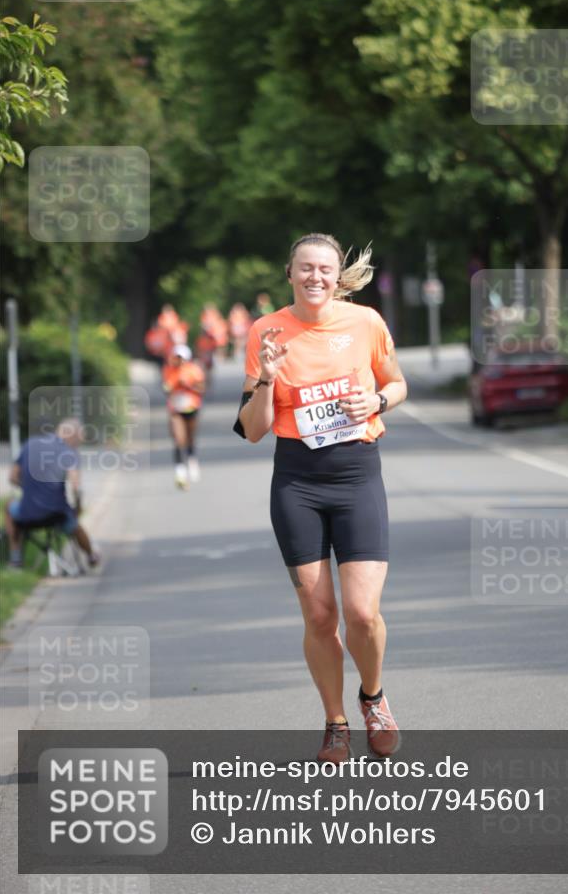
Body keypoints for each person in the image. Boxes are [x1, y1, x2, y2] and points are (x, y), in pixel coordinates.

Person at [234, 233, 407, 763]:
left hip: (357, 477)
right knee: (318, 616)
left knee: (361, 612)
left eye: (325, 269)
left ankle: (373, 697)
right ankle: (336, 721)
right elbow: (253, 429)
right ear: (289, 273)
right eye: (305, 268)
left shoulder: (366, 323)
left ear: (337, 276)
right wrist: (265, 378)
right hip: (297, 482)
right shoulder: (266, 331)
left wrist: (375, 401)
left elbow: (397, 384)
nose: (316, 277)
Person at [4, 419, 100, 569]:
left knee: (9, 507)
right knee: (74, 523)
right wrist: (78, 508)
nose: (79, 443)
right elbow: (76, 487)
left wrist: (29, 489)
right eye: (79, 438)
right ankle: (91, 555)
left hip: (26, 514)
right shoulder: (69, 452)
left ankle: (16, 558)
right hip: (56, 515)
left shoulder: (30, 444)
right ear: (71, 434)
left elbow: (12, 477)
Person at [162, 344, 206, 489]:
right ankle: (180, 473)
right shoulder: (168, 370)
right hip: (176, 409)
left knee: (190, 438)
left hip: (191, 407)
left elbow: (202, 388)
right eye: (176, 357)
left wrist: (188, 385)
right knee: (178, 439)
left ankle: (192, 460)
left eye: (181, 358)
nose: (178, 361)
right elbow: (166, 388)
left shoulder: (194, 370)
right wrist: (171, 387)